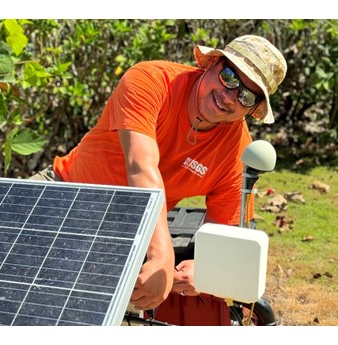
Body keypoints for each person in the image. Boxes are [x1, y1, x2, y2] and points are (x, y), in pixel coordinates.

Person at [30, 35, 287, 314]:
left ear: (252, 110)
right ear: (211, 64)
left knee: (101, 312)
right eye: (229, 77)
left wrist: (204, 271)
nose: (229, 97)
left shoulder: (238, 154)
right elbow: (141, 166)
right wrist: (162, 255)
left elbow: (224, 237)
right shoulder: (150, 80)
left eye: (246, 96)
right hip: (66, 191)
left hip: (129, 231)